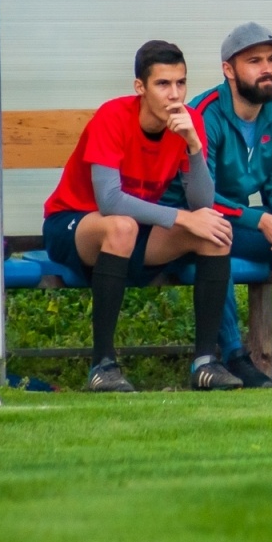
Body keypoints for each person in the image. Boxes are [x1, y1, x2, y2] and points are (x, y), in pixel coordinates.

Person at [42, 40, 241, 392]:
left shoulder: (188, 122)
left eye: (181, 83)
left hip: (136, 232)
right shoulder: (113, 116)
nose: (174, 94)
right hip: (74, 224)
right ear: (140, 87)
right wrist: (180, 218)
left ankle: (205, 363)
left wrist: (194, 146)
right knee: (121, 225)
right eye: (163, 84)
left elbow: (202, 202)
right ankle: (102, 365)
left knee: (214, 230)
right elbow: (109, 201)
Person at [174, 23, 272, 389]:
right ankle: (234, 356)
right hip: (189, 225)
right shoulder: (204, 114)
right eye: (254, 61)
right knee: (218, 235)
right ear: (228, 69)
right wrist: (262, 222)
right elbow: (202, 197)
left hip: (239, 222)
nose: (267, 69)